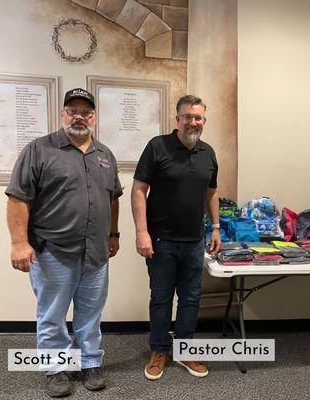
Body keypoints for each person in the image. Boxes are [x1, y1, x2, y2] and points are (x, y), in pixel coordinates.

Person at [5, 88, 123, 398]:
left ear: (94, 117)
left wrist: (114, 233)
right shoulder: (40, 150)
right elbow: (18, 198)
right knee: (53, 313)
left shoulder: (105, 154)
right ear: (63, 114)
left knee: (91, 313)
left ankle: (89, 362)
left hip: (95, 253)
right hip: (53, 251)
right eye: (73, 110)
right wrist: (19, 243)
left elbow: (113, 198)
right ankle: (54, 368)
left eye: (86, 111)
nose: (79, 116)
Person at [131, 95, 221, 380]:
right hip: (161, 241)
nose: (193, 121)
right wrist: (141, 231)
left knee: (191, 298)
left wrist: (216, 226)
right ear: (178, 118)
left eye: (198, 117)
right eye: (188, 116)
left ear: (204, 121)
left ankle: (184, 349)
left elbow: (211, 193)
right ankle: (159, 349)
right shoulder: (158, 146)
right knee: (161, 297)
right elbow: (138, 190)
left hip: (195, 240)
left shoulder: (208, 153)